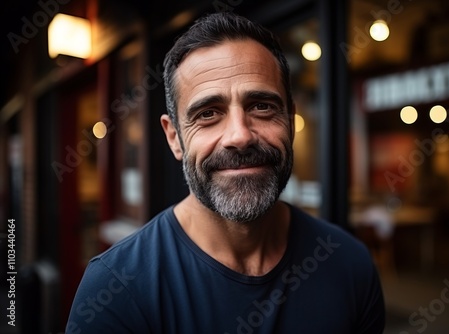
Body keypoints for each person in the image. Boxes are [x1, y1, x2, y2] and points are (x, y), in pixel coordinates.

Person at [66, 12, 385, 333]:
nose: (240, 136)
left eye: (262, 106)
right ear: (174, 138)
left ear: (289, 120)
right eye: (208, 113)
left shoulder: (349, 264)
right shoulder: (115, 289)